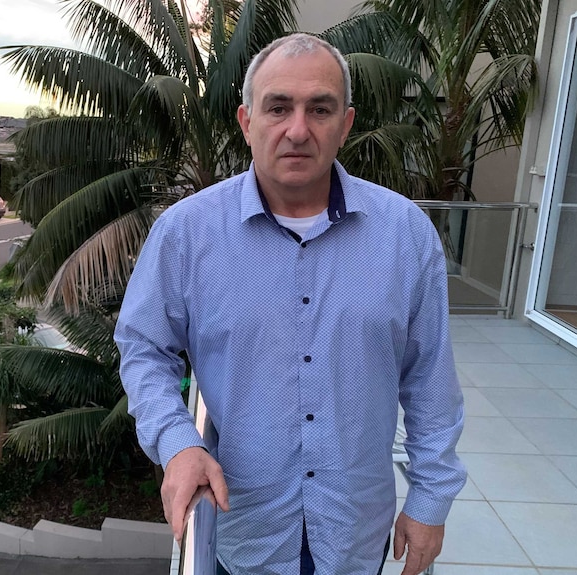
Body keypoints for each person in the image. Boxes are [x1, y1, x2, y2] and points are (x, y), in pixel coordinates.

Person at [114, 33, 466, 575]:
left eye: (319, 109)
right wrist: (177, 442)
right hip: (245, 529)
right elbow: (143, 349)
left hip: (355, 531)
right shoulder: (185, 236)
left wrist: (430, 501)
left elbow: (429, 379)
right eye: (278, 107)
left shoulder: (406, 236)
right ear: (246, 121)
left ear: (344, 125)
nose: (297, 130)